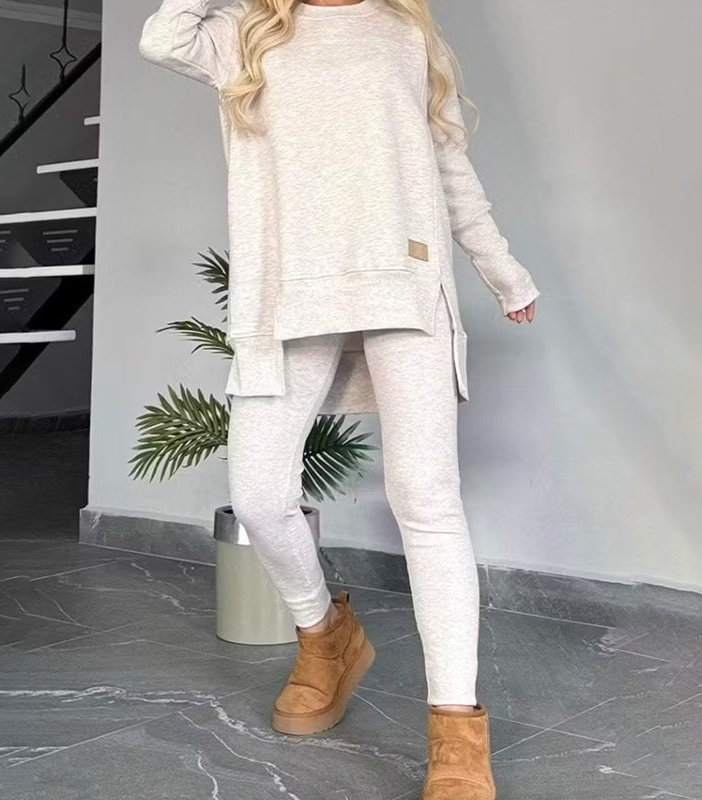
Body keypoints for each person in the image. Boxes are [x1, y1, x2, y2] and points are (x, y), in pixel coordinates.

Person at [139, 1, 540, 796]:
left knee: (427, 498)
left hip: (404, 281)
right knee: (260, 496)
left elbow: (449, 163)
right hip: (285, 294)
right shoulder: (245, 33)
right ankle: (326, 634)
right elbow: (162, 37)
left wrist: (502, 269)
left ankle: (458, 733)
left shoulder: (405, 32)